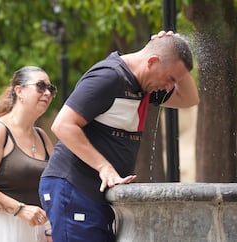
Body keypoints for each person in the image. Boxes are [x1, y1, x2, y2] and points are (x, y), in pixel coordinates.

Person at [39, 31, 200, 241]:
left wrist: (174, 50)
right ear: (152, 62)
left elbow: (189, 99)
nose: (170, 87)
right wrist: (104, 167)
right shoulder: (109, 76)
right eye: (170, 78)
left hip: (95, 195)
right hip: (73, 187)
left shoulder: (145, 85)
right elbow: (62, 125)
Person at [0, 66, 56, 242]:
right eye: (40, 86)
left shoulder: (42, 136)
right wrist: (19, 209)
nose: (47, 93)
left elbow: (56, 182)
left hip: (33, 230)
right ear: (19, 91)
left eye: (51, 88)